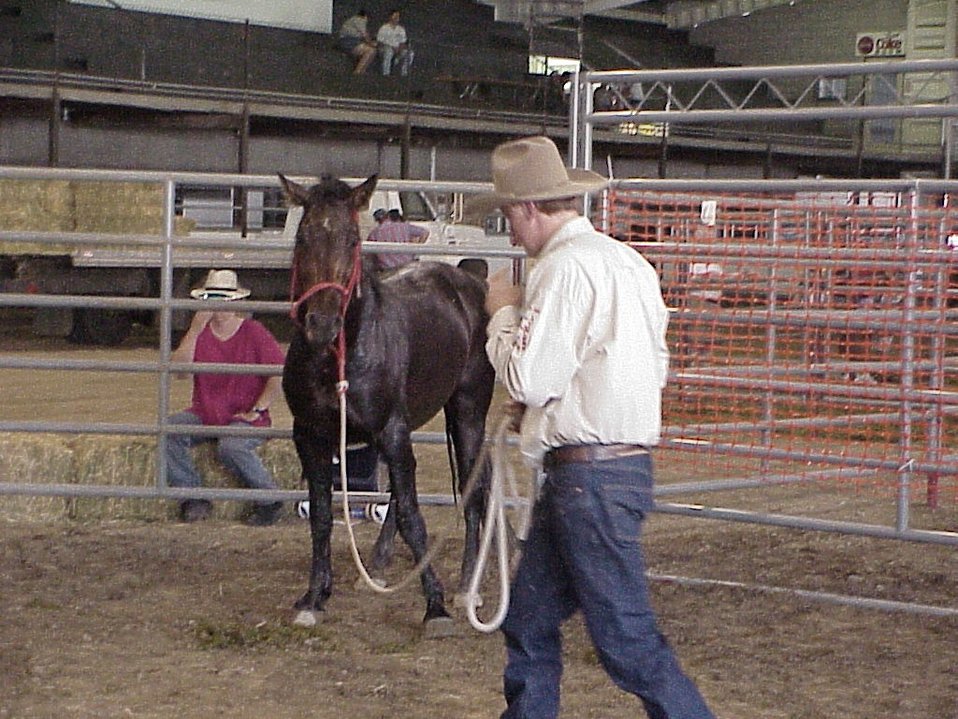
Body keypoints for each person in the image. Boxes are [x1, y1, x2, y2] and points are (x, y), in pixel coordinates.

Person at [478, 136, 715, 719]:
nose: (510, 233)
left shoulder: (562, 270)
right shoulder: (627, 263)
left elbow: (529, 378)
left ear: (529, 209)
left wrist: (503, 314)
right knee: (530, 619)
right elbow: (644, 366)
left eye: (509, 215)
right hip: (605, 473)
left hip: (588, 481)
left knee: (626, 642)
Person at [167, 269, 287, 527]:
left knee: (231, 446)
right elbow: (179, 372)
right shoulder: (200, 334)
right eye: (213, 298)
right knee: (170, 430)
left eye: (225, 298)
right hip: (206, 413)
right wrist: (195, 330)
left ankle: (270, 498)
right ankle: (193, 497)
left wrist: (258, 408)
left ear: (235, 302)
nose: (219, 305)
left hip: (245, 415)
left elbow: (277, 373)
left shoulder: (254, 331)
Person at [336, 9, 377, 75]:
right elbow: (365, 35)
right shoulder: (360, 20)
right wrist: (373, 44)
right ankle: (357, 73)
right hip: (348, 42)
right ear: (365, 16)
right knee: (371, 50)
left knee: (372, 51)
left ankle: (361, 71)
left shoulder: (352, 20)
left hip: (349, 42)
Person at [376, 9, 414, 77]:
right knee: (389, 51)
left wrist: (399, 49)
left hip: (398, 49)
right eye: (395, 16)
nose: (397, 18)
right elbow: (380, 42)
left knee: (410, 53)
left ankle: (404, 73)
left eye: (398, 16)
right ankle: (386, 74)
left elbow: (403, 42)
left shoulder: (401, 29)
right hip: (385, 48)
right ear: (390, 17)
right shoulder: (384, 28)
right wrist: (391, 47)